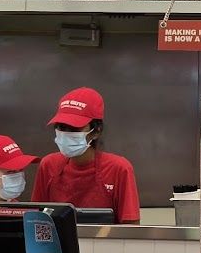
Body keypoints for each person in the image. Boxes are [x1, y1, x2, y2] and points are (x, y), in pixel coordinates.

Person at [31, 87, 140, 224]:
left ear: (96, 131)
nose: (65, 134)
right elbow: (36, 222)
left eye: (74, 129)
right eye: (61, 127)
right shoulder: (48, 165)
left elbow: (131, 230)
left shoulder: (119, 169)